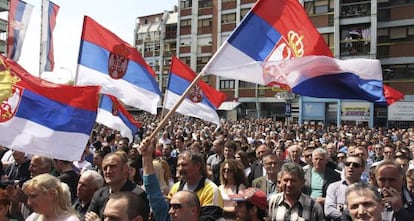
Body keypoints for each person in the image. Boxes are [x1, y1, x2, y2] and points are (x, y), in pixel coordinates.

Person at [139, 138, 200, 221]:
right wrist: (146, 156)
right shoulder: (166, 218)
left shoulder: (210, 188)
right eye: (170, 206)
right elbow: (152, 190)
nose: (170, 211)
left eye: (176, 207)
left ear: (193, 210)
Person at [86, 151, 148, 219]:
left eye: (112, 166)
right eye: (105, 168)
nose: (108, 171)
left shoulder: (138, 194)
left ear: (125, 168)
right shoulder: (99, 194)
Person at [168, 150, 224, 220]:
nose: (180, 169)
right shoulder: (175, 187)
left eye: (184, 165)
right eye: (178, 165)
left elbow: (209, 217)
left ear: (198, 166)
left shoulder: (211, 189)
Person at [325, 156, 365, 221]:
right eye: (347, 164)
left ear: (362, 169)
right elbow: (329, 210)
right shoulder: (333, 187)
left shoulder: (368, 189)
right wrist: (349, 217)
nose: (351, 167)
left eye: (355, 165)